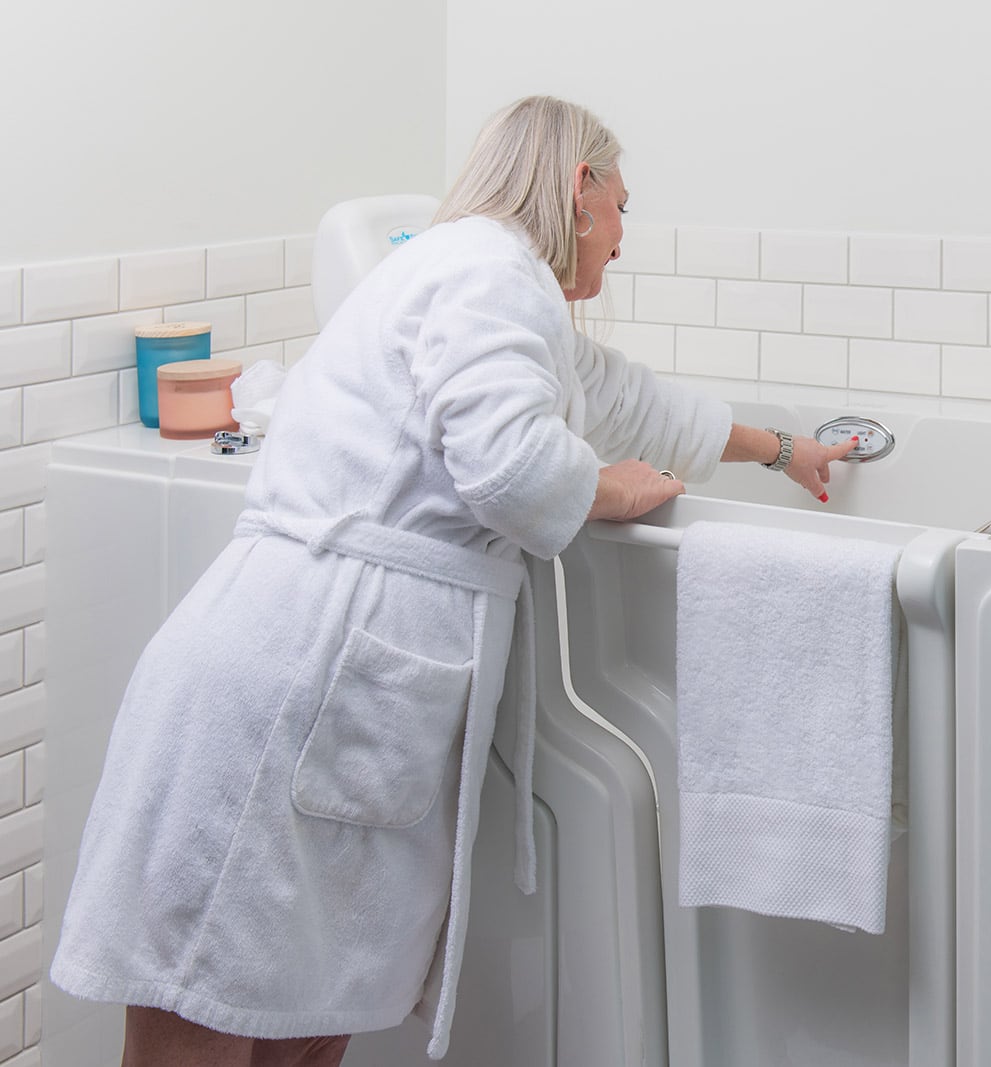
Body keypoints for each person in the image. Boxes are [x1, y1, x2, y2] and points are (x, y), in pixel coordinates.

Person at [50, 95, 855, 1066]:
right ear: (577, 188)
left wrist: (784, 451)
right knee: (202, 1008)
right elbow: (511, 465)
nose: (622, 236)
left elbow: (625, 399)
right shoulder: (488, 271)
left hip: (337, 689)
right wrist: (603, 486)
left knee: (300, 1018)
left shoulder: (492, 283)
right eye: (622, 208)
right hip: (284, 687)